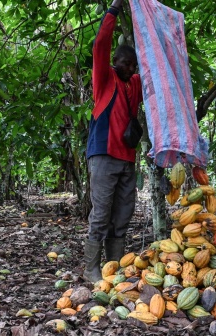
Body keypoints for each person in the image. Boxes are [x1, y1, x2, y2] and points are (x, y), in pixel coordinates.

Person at [84, 0, 143, 283]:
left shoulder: (134, 84)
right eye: (124, 63)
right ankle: (91, 270)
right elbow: (100, 46)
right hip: (104, 155)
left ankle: (113, 268)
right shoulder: (105, 78)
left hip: (127, 159)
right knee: (101, 215)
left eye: (133, 65)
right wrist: (114, 10)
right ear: (115, 62)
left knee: (122, 216)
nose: (129, 68)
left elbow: (154, 73)